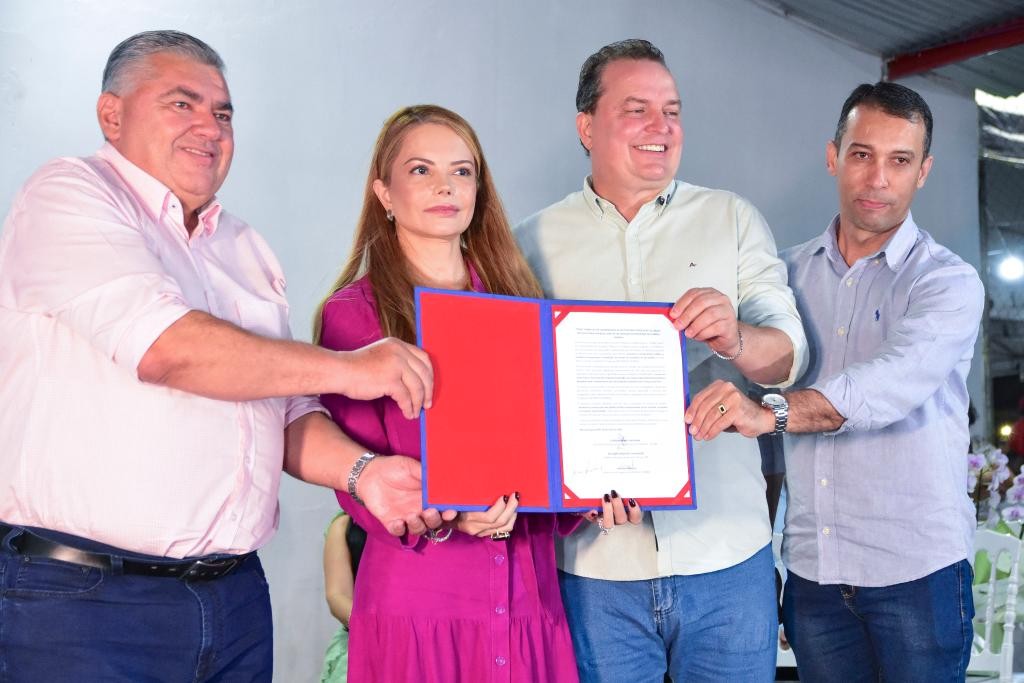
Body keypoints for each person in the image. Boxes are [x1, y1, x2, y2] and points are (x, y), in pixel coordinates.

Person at [0, 31, 450, 681]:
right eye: (181, 104)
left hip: (233, 599)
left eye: (223, 112)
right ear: (111, 115)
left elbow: (283, 407)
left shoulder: (243, 247)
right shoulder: (68, 194)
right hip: (86, 602)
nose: (209, 127)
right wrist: (354, 368)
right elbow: (166, 348)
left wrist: (363, 473)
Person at [315, 104, 641, 683]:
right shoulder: (353, 316)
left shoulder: (524, 302)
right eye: (420, 170)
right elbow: (355, 482)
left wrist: (589, 495)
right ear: (384, 193)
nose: (445, 186)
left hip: (528, 601)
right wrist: (447, 517)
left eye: (461, 171)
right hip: (422, 609)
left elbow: (548, 453)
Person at [515, 39, 807, 682]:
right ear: (586, 127)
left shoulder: (731, 218)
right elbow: (518, 396)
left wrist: (735, 338)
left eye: (672, 110)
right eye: (637, 109)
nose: (662, 126)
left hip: (726, 554)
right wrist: (564, 493)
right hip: (594, 566)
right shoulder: (528, 244)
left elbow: (788, 354)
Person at [688, 82, 984, 681]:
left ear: (923, 172)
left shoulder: (947, 283)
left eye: (900, 160)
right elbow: (752, 436)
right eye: (862, 154)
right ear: (833, 156)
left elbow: (885, 386)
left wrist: (768, 412)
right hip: (814, 577)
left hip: (917, 577)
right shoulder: (784, 276)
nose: (878, 178)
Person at [319, 511, 366, 682]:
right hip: (362, 643)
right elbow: (337, 596)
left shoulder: (434, 523)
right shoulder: (345, 525)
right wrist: (379, 631)